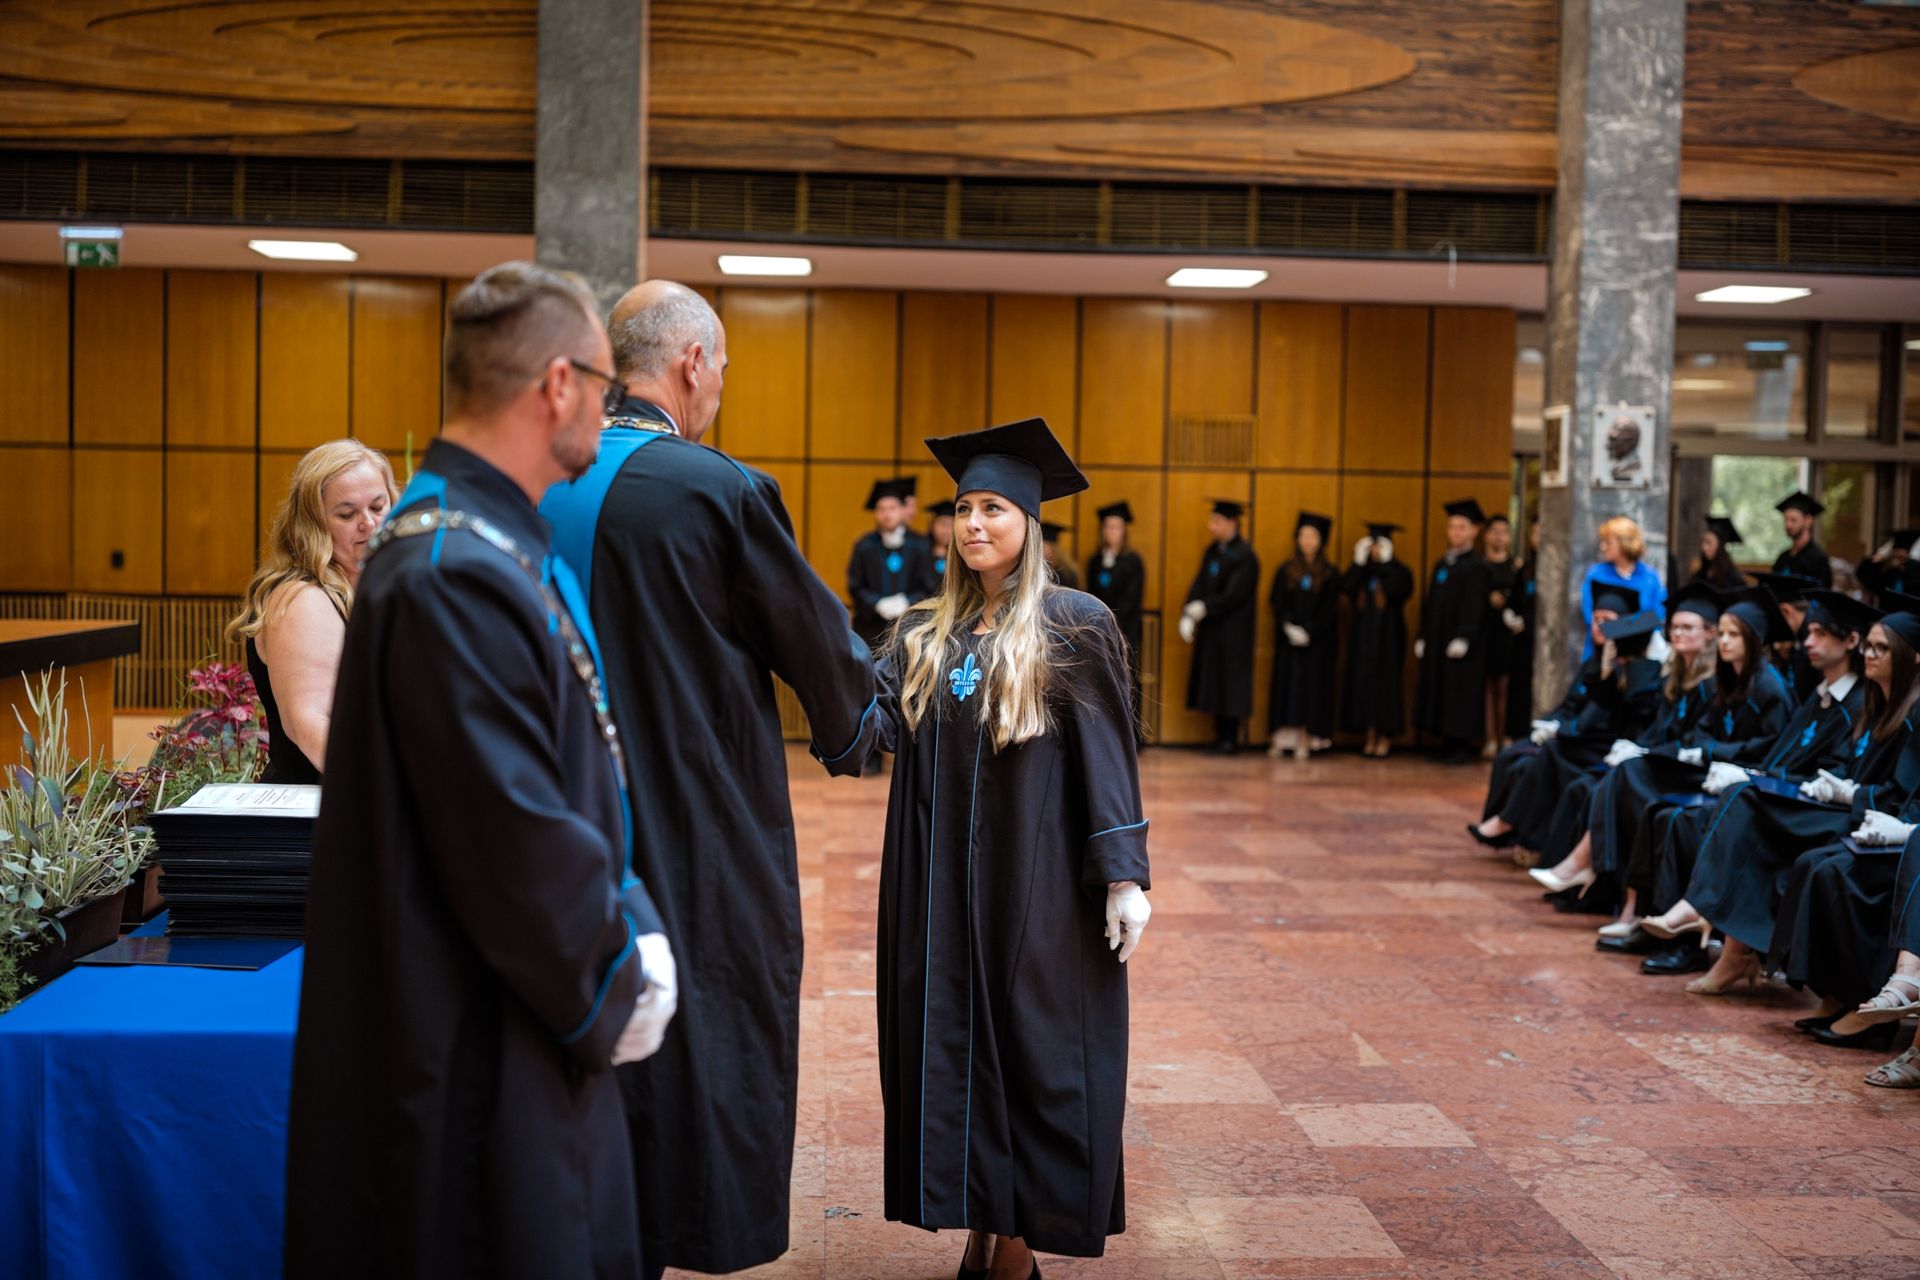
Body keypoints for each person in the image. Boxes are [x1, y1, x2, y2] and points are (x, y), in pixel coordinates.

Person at [286, 262, 676, 1279]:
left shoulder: (484, 537)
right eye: (604, 383)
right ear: (558, 382)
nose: (609, 408)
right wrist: (619, 969)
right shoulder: (451, 569)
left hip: (508, 1014)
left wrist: (627, 905)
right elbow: (512, 838)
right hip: (478, 1042)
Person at [538, 280, 881, 1277]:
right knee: (697, 1025)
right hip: (692, 827)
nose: (721, 385)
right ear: (692, 362)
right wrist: (867, 722)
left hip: (547, 822)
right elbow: (821, 653)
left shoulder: (533, 483)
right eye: (722, 366)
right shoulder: (717, 488)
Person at [870, 416, 1150, 1276]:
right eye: (963, 509)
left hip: (1036, 891)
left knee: (1031, 1052)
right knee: (954, 1046)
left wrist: (1123, 875)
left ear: (1029, 520)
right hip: (939, 891)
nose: (974, 524)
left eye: (993, 508)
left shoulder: (1074, 623)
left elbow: (1108, 755)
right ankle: (982, 1223)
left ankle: (1016, 1244)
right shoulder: (926, 634)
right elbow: (866, 730)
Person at [1656, 595, 1920, 999]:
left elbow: (1898, 794)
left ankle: (1704, 912)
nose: (1869, 655)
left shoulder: (1895, 713)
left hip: (1864, 818)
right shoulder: (1871, 705)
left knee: (1748, 804)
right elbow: (1832, 762)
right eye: (1869, 646)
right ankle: (1724, 942)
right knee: (1712, 808)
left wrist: (1849, 791)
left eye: (1879, 648)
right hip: (1840, 806)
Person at [226, 439, 396, 782]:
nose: (369, 523)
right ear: (312, 524)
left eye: (378, 507)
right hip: (322, 804)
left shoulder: (378, 589)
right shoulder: (304, 599)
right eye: (347, 514)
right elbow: (311, 726)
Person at [1415, 497, 1493, 763]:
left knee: (1460, 692)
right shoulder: (1443, 563)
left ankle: (1460, 745)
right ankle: (1444, 742)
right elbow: (1430, 602)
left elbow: (1475, 605)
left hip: (1463, 643)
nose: (1456, 532)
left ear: (1474, 531)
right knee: (1440, 688)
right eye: (1452, 527)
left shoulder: (1478, 566)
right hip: (1438, 638)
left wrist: (1464, 635)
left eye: (1461, 527)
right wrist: (1423, 635)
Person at [1180, 499, 1260, 754]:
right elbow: (1199, 583)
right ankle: (1218, 736)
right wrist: (1189, 610)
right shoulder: (1212, 551)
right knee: (1213, 680)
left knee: (1231, 682)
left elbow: (1235, 594)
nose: (1211, 526)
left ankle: (1230, 738)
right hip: (1212, 630)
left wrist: (1206, 607)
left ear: (1231, 523)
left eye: (1217, 521)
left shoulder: (1245, 556)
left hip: (1234, 632)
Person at [1266, 511, 1340, 760]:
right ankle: (1283, 739)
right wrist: (1288, 626)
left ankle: (1308, 740)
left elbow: (1330, 609)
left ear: (1321, 541)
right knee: (1287, 689)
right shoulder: (1286, 570)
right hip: (1289, 642)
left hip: (1316, 645)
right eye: (1303, 535)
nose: (1307, 541)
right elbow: (1277, 602)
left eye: (1313, 536)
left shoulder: (1329, 573)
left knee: (1311, 690)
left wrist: (1311, 631)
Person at [1341, 521, 1414, 759]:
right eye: (1372, 545)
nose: (1375, 550)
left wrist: (1387, 563)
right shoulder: (1364, 572)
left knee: (1386, 686)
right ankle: (1368, 733)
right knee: (1363, 683)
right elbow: (1346, 586)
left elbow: (1401, 590)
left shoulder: (1398, 571)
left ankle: (1384, 735)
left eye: (1380, 546)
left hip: (1388, 638)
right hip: (1363, 637)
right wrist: (1358, 562)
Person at [849, 477, 938, 647]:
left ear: (903, 510)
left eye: (892, 508)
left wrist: (907, 602)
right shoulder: (864, 546)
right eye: (881, 509)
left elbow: (929, 585)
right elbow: (855, 585)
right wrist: (876, 603)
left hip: (910, 628)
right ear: (876, 513)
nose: (887, 514)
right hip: (871, 629)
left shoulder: (921, 546)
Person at [1085, 500, 1146, 734]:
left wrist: (1112, 621)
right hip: (1099, 632)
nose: (1112, 532)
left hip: (1125, 631)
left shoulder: (1133, 561)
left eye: (1117, 527)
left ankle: (1132, 734)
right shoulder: (1095, 561)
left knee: (1128, 680)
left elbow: (1131, 599)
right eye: (1108, 527)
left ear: (1124, 531)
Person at [1580, 516, 1666, 661]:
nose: (1603, 547)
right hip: (1601, 650)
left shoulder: (1649, 577)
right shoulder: (1597, 574)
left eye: (1608, 542)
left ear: (1624, 543)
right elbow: (1589, 614)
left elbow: (1657, 614)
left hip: (1638, 653)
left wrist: (1627, 633)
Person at [1480, 514, 1523, 757]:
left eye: (1504, 532)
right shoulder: (1479, 565)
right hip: (1484, 629)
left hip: (1507, 632)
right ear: (1486, 535)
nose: (1499, 536)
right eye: (1494, 531)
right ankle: (1488, 739)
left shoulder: (1516, 566)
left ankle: (1504, 736)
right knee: (1486, 686)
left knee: (1505, 686)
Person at [1503, 521, 1540, 744]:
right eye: (1535, 532)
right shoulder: (1524, 570)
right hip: (1522, 643)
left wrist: (1528, 621)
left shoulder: (1555, 569)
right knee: (1519, 688)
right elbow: (1514, 599)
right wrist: (1510, 614)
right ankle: (1516, 735)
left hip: (1542, 643)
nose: (1539, 537)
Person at [1773, 490, 1833, 586]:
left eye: (1793, 520)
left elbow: (1823, 591)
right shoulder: (1782, 558)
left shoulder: (1818, 559)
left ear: (1808, 520)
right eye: (1786, 520)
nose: (1788, 525)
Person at [1856, 528, 1920, 601]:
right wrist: (1880, 555)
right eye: (1894, 557)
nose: (1897, 562)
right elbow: (1867, 579)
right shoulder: (1891, 575)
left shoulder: (1915, 575)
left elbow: (1914, 582)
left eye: (1902, 558)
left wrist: (1913, 560)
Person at [1689, 515, 1747, 591]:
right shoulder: (1700, 575)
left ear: (1720, 545)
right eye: (1702, 542)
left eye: (1709, 542)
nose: (1704, 547)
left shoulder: (1732, 577)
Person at [1041, 520, 1080, 588]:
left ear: (1052, 548)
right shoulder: (1067, 567)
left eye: (1043, 546)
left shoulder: (1062, 573)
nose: (1039, 551)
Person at [928, 498, 957, 578]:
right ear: (932, 525)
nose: (946, 531)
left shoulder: (960, 555)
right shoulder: (920, 551)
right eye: (943, 524)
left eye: (951, 525)